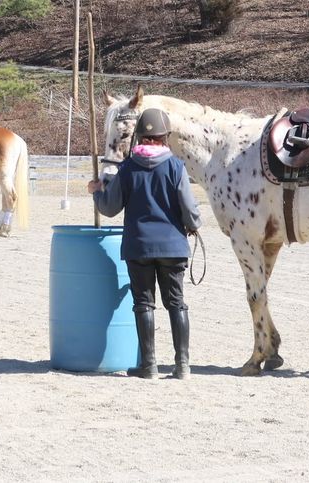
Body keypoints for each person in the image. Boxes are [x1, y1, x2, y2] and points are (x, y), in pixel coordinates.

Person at [88, 108, 203, 380]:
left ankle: (149, 365)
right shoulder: (175, 166)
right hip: (173, 247)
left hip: (138, 246)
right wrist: (193, 225)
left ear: (139, 137)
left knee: (143, 304)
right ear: (165, 137)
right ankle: (182, 365)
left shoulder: (127, 168)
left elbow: (110, 207)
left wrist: (97, 193)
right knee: (176, 303)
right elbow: (190, 209)